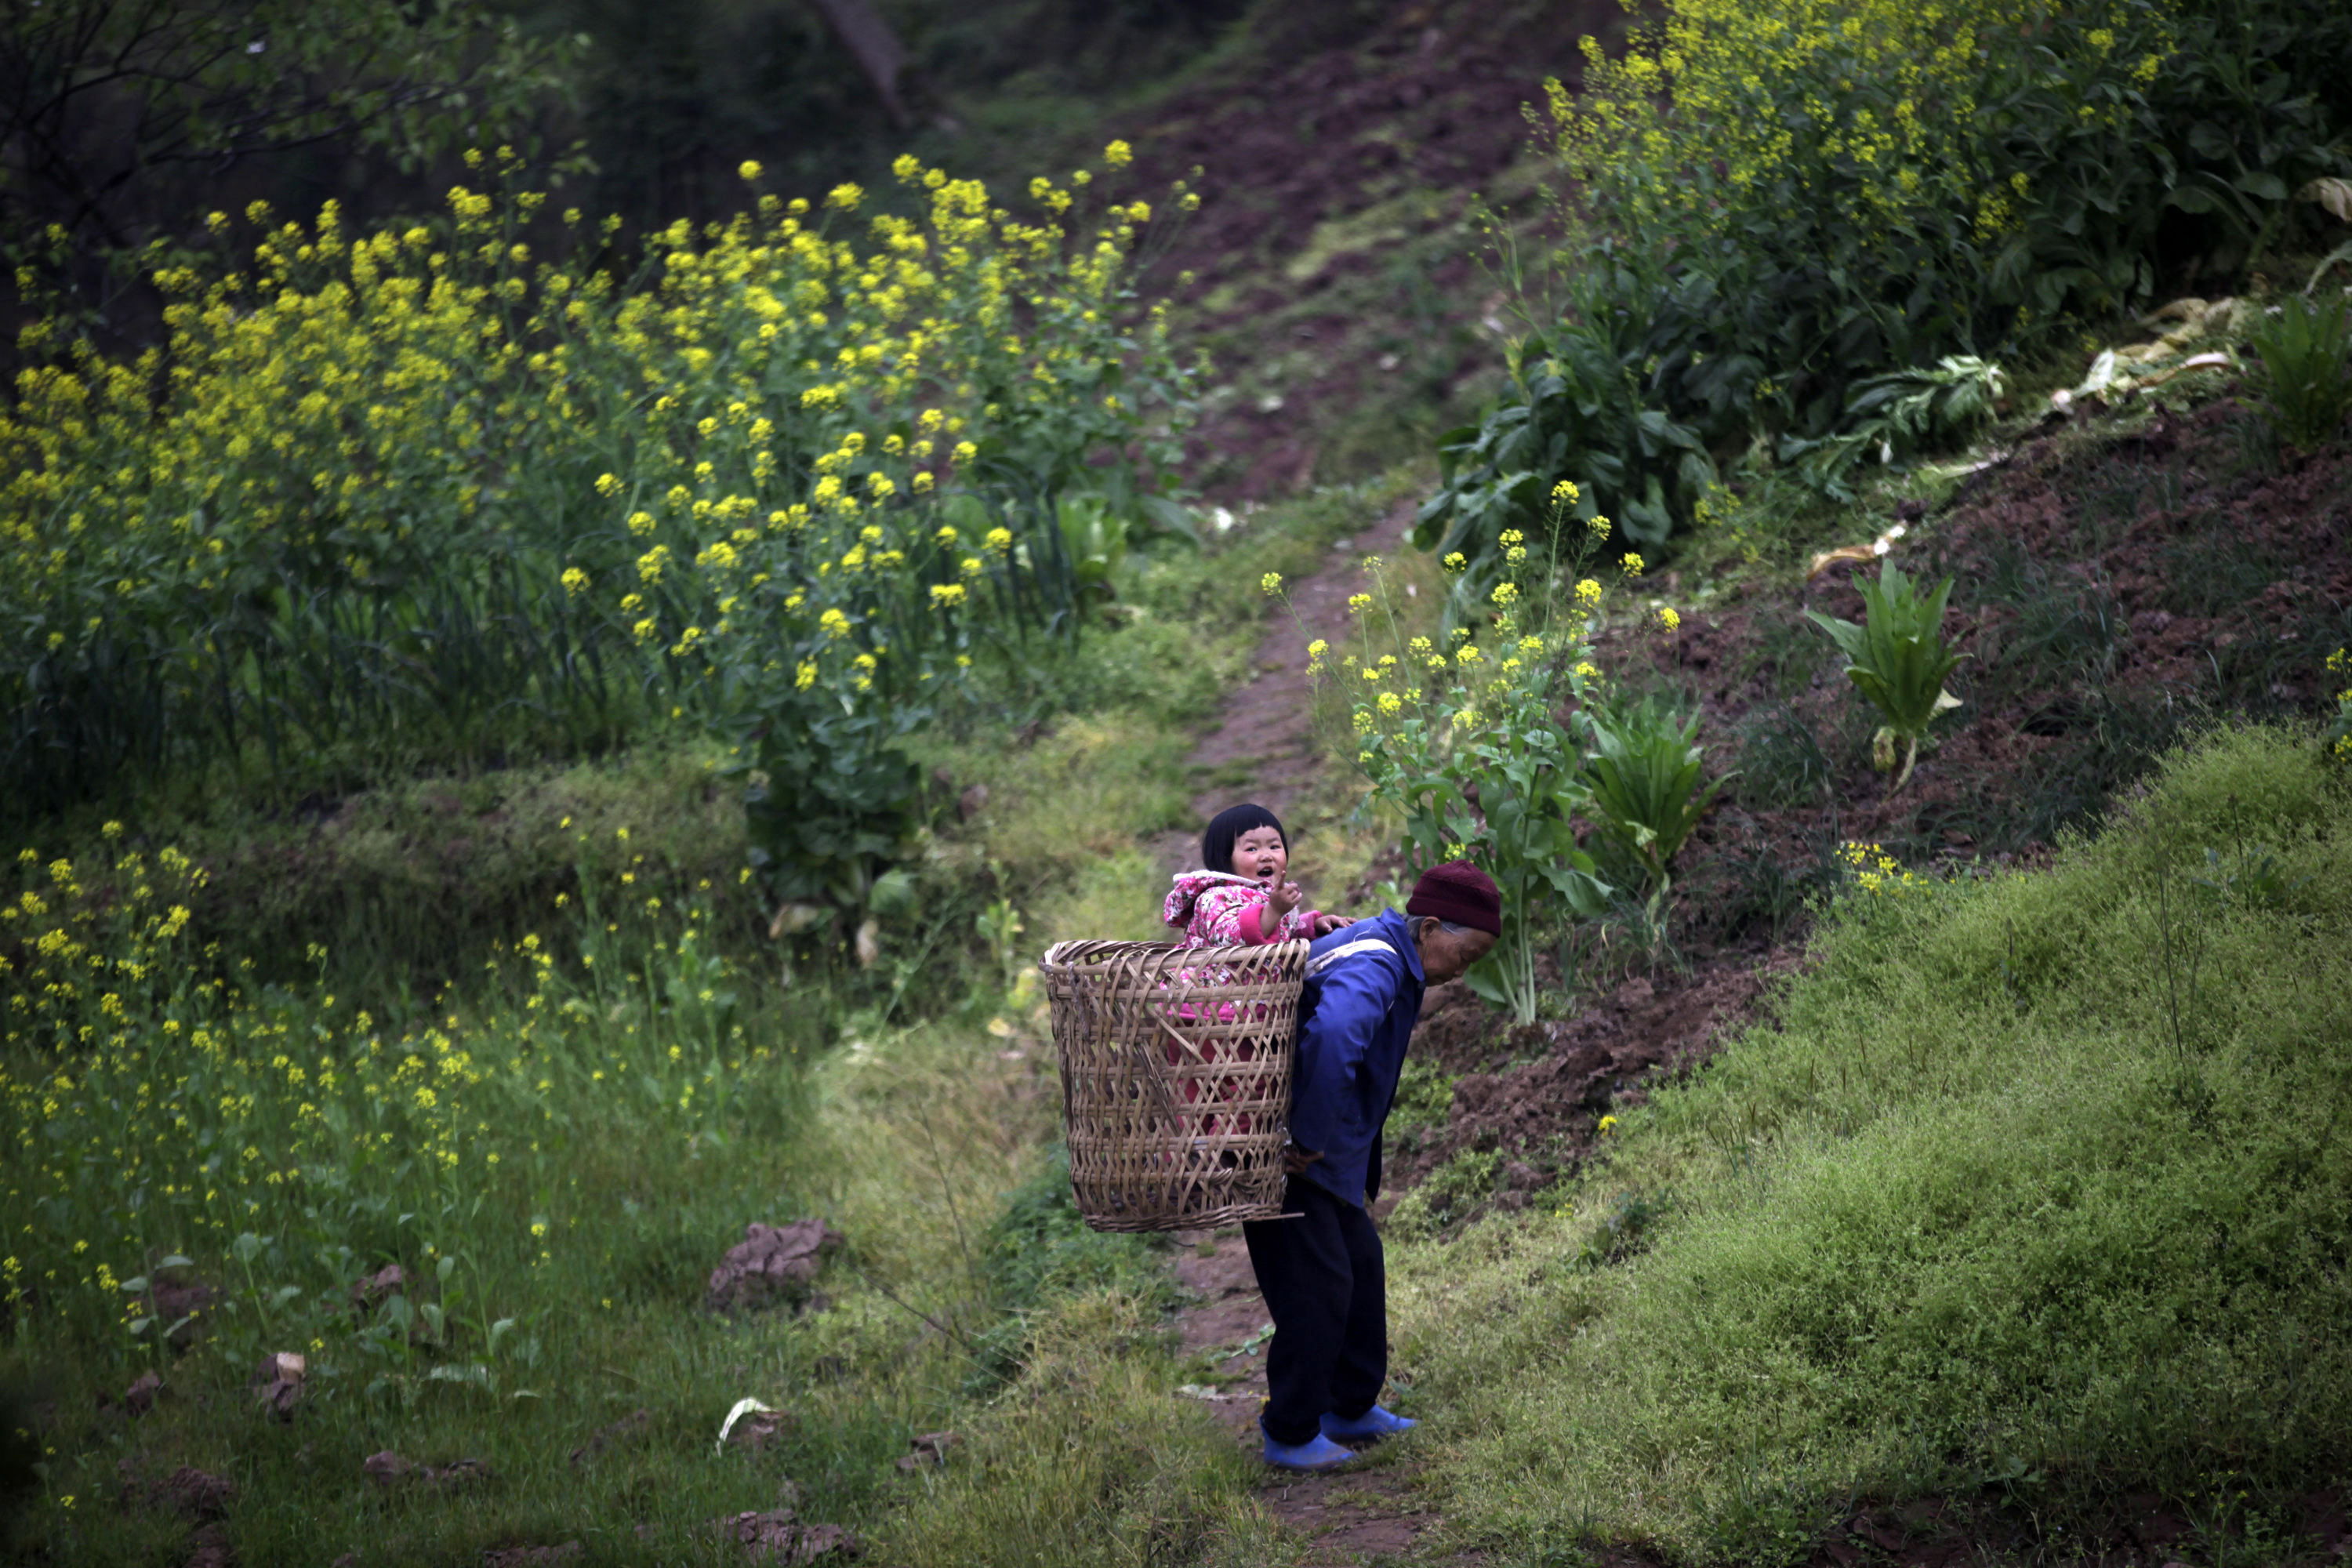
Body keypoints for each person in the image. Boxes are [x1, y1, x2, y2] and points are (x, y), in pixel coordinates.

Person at [1244, 859, 1500, 1472]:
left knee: (1360, 1264)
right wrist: (1304, 1135)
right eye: (1465, 957)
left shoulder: (1391, 951)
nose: (1462, 974)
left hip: (1325, 1155)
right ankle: (1290, 1429)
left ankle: (1349, 1407)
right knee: (1319, 1288)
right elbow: (1333, 1037)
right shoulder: (1378, 963)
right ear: (1432, 926)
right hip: (1288, 1152)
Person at [1163, 802, 1353, 947]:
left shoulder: (1270, 897)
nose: (1266, 856)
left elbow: (1276, 938)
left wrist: (1313, 925)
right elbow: (1233, 939)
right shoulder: (1213, 898)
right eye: (1252, 849)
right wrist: (1273, 911)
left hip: (1263, 995)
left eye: (1274, 846)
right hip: (1220, 997)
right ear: (1224, 858)